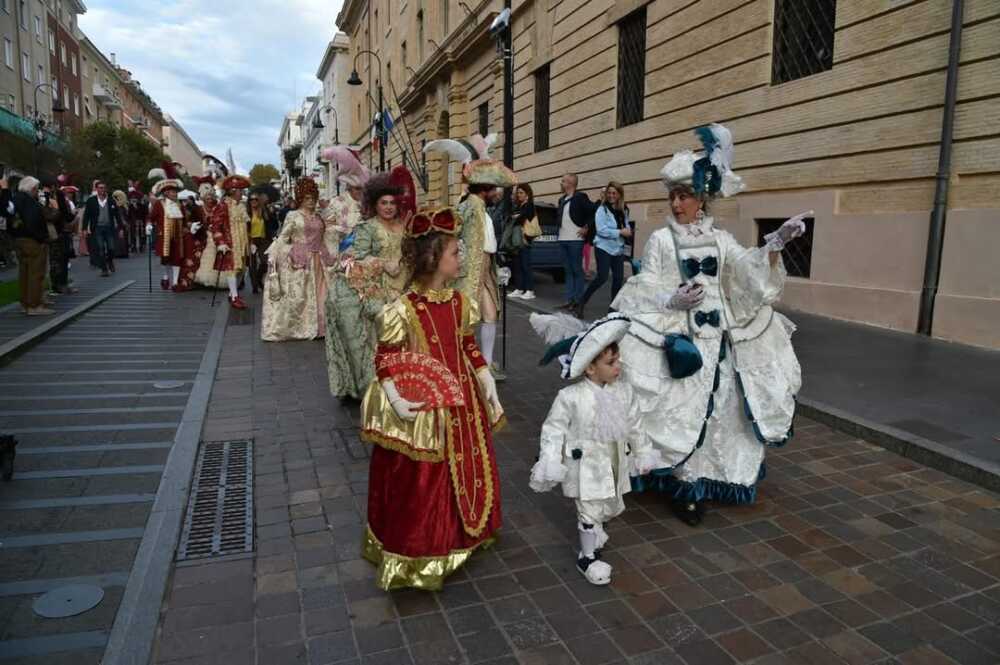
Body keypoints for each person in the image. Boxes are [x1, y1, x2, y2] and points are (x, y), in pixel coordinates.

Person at [613, 124, 806, 526]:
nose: (676, 204)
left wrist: (773, 246)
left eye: (683, 196)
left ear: (701, 199)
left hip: (721, 336)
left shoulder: (721, 239)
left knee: (719, 409)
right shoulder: (662, 241)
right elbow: (643, 285)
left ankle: (707, 477)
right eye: (673, 196)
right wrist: (671, 299)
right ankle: (684, 487)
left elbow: (745, 274)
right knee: (680, 409)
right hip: (681, 339)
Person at [360, 207, 504, 590]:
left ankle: (465, 537)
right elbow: (386, 358)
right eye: (455, 253)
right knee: (424, 482)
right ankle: (425, 552)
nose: (461, 259)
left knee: (472, 464)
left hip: (465, 405)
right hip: (429, 414)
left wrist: (485, 377)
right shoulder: (403, 310)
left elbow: (468, 346)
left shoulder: (460, 303)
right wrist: (394, 396)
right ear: (433, 259)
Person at [529, 312, 663, 585]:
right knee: (588, 510)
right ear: (590, 368)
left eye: (618, 360)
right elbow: (554, 429)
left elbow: (635, 423)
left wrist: (642, 451)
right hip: (586, 467)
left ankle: (596, 529)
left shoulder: (624, 392)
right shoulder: (571, 397)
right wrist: (551, 460)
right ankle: (587, 557)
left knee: (609, 506)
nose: (618, 366)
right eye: (611, 362)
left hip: (614, 462)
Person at [324, 173, 410, 400]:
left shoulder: (403, 225)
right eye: (384, 203)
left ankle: (402, 383)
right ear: (374, 204)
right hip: (376, 290)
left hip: (403, 287)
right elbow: (356, 259)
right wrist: (383, 263)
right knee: (379, 341)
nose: (389, 207)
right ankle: (378, 387)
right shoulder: (367, 227)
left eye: (392, 203)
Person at [261, 177, 339, 341]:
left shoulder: (319, 217)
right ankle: (306, 327)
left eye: (313, 198)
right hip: (301, 261)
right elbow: (283, 237)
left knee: (323, 295)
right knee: (300, 298)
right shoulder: (293, 215)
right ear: (300, 199)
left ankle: (322, 328)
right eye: (306, 199)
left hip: (319, 260)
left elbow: (324, 236)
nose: (310, 202)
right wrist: (276, 254)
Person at [576, 182, 633, 319]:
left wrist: (628, 231)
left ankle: (612, 311)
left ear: (619, 194)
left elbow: (626, 226)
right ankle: (581, 302)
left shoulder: (623, 210)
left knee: (618, 279)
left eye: (614, 193)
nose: (611, 196)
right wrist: (620, 232)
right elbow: (601, 230)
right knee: (602, 277)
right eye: (609, 193)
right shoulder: (602, 210)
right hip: (603, 247)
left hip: (617, 249)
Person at [11, 177, 55, 315]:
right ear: (32, 189)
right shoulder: (30, 202)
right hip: (32, 240)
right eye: (36, 189)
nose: (38, 192)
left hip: (19, 239)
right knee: (36, 273)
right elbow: (32, 221)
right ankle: (35, 305)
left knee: (24, 273)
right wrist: (41, 238)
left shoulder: (15, 199)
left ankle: (25, 303)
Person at [209, 175, 253, 309]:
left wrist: (251, 243)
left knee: (241, 269)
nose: (242, 193)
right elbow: (215, 226)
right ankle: (234, 297)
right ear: (233, 191)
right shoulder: (223, 206)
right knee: (231, 269)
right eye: (240, 191)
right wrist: (221, 242)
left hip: (242, 243)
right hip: (230, 243)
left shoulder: (241, 206)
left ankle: (232, 293)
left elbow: (247, 226)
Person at [556, 173, 597, 311]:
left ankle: (578, 301)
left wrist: (586, 227)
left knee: (576, 270)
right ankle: (569, 300)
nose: (561, 183)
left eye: (563, 181)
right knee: (567, 270)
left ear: (570, 183)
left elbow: (593, 211)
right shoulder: (561, 199)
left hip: (575, 239)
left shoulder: (580, 197)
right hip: (562, 239)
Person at [146, 165, 188, 289]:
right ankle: (165, 276)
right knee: (165, 259)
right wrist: (148, 225)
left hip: (178, 236)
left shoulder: (180, 205)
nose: (175, 194)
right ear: (166, 193)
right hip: (164, 235)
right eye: (173, 192)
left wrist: (189, 226)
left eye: (176, 192)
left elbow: (185, 219)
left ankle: (175, 282)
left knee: (177, 258)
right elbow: (151, 217)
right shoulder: (159, 204)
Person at [82, 181, 123, 277]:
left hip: (109, 227)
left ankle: (110, 261)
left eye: (103, 188)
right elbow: (86, 215)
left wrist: (120, 228)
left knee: (111, 248)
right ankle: (104, 269)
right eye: (100, 188)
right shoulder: (91, 201)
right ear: (96, 189)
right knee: (100, 248)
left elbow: (117, 215)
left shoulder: (111, 201)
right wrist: (84, 228)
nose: (102, 190)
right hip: (97, 228)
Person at [507, 183, 537, 301]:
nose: (518, 195)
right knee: (518, 265)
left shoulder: (529, 205)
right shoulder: (520, 206)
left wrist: (516, 217)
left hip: (525, 240)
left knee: (526, 265)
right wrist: (516, 216)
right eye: (518, 193)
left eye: (521, 193)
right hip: (518, 240)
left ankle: (530, 290)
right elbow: (512, 217)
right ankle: (519, 288)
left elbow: (520, 219)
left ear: (527, 194)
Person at [247, 193, 275, 294]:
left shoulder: (264, 211)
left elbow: (272, 224)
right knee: (252, 263)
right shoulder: (247, 213)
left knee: (265, 261)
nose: (254, 201)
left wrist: (271, 214)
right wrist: (248, 240)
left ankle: (258, 279)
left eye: (256, 199)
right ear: (249, 201)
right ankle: (255, 286)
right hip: (252, 240)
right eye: (251, 200)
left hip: (263, 239)